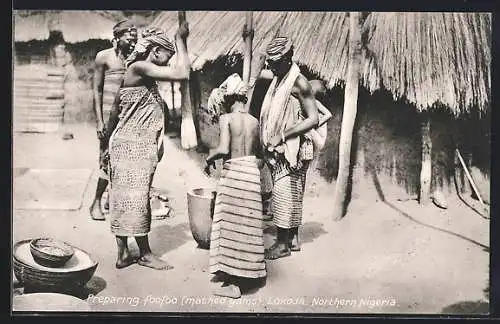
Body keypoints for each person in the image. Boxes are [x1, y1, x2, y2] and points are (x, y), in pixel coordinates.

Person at [104, 24, 191, 270]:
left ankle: (123, 254)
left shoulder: (138, 76)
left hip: (128, 145)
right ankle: (144, 253)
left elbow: (114, 111)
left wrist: (106, 145)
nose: (167, 62)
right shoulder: (139, 67)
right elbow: (183, 73)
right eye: (167, 56)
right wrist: (180, 40)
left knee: (125, 200)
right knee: (138, 200)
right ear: (154, 51)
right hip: (133, 148)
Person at [204, 74, 266, 299]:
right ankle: (251, 272)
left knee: (231, 225)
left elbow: (223, 148)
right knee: (247, 224)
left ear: (229, 98)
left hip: (234, 174)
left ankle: (233, 283)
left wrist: (208, 158)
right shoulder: (254, 121)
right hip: (250, 172)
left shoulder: (227, 118)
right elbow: (260, 155)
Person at [259, 36, 320, 260]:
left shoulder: (299, 82)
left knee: (285, 192)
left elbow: (312, 119)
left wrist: (282, 135)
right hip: (282, 146)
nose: (269, 66)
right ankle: (292, 239)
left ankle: (282, 244)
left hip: (293, 146)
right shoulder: (279, 79)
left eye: (274, 62)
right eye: (269, 62)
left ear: (287, 59)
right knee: (292, 191)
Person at [90, 20, 138, 221]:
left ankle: (112, 197)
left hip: (128, 117)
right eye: (129, 39)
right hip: (109, 118)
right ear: (117, 38)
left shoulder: (135, 59)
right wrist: (100, 121)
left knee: (126, 160)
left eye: (136, 39)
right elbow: (97, 89)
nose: (133, 43)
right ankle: (96, 202)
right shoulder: (104, 57)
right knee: (106, 159)